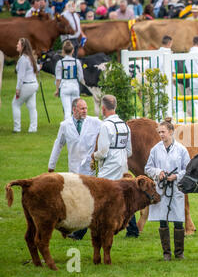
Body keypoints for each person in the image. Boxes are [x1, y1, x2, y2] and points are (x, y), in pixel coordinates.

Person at [48, 98, 102, 240]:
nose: (85, 111)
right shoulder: (65, 125)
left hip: (89, 169)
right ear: (74, 110)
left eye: (86, 108)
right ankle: (74, 227)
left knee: (85, 200)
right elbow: (58, 145)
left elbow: (108, 131)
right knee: (75, 200)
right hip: (73, 169)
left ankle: (78, 232)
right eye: (82, 108)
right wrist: (51, 166)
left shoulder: (95, 122)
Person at [92, 95, 139, 237]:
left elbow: (103, 151)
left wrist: (94, 156)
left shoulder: (105, 125)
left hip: (109, 165)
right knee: (124, 196)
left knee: (97, 195)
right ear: (115, 107)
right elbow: (129, 151)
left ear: (103, 108)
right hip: (123, 163)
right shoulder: (124, 125)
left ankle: (81, 231)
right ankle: (133, 230)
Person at [144, 117, 190, 261]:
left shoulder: (182, 150)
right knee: (162, 219)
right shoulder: (155, 150)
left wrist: (176, 176)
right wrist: (159, 173)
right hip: (162, 188)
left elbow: (188, 170)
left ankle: (179, 252)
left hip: (176, 189)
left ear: (171, 132)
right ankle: (166, 253)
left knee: (178, 220)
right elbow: (148, 168)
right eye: (159, 132)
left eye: (163, 132)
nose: (161, 135)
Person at [12, 38, 39, 133]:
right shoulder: (31, 57)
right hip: (33, 84)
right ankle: (33, 128)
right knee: (32, 106)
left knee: (15, 104)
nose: (16, 45)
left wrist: (18, 89)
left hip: (26, 85)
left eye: (18, 44)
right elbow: (37, 69)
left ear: (23, 46)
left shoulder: (23, 59)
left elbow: (21, 76)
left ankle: (17, 128)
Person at [54, 41, 84, 120]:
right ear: (73, 50)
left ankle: (67, 129)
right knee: (76, 109)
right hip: (74, 86)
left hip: (65, 86)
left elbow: (58, 79)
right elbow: (81, 77)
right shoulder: (77, 62)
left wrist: (57, 90)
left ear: (63, 50)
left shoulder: (60, 62)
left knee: (67, 110)